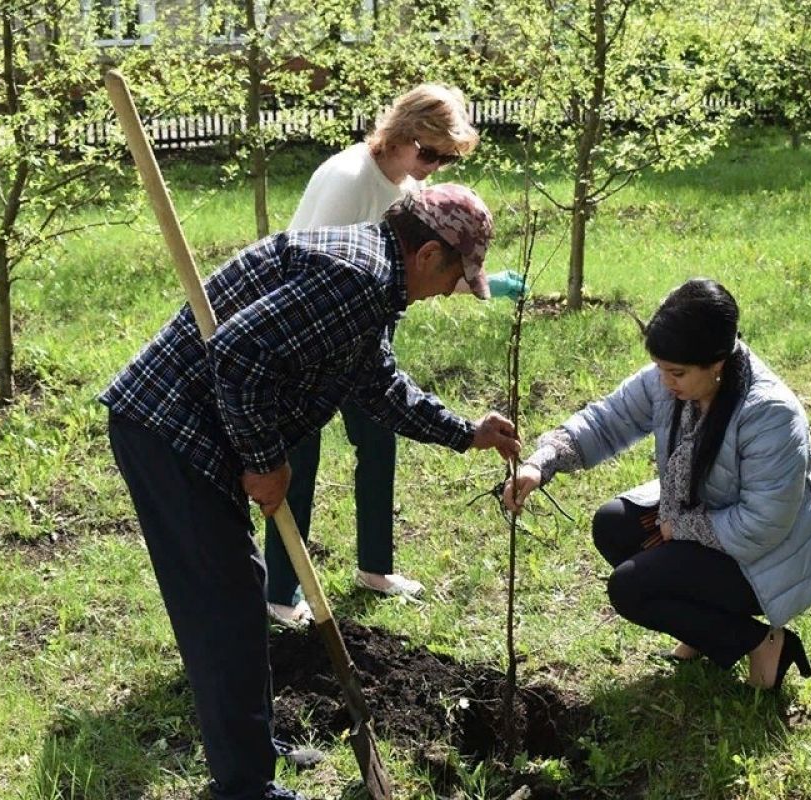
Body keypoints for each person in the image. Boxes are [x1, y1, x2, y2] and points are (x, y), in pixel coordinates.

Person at [102, 184, 520, 800]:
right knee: (222, 609)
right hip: (168, 428)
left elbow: (377, 387)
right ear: (428, 254)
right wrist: (268, 462)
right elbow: (237, 354)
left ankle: (248, 747)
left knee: (239, 601)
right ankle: (244, 787)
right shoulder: (355, 278)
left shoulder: (372, 283)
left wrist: (466, 433)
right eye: (458, 274)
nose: (452, 290)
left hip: (193, 428)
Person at [503, 279, 811, 690]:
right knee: (612, 525)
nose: (665, 382)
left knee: (632, 588)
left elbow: (764, 523)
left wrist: (680, 527)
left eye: (677, 373)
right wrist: (538, 465)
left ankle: (762, 642)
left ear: (718, 361)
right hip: (711, 519)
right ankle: (702, 630)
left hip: (771, 555)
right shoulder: (672, 378)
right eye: (660, 369)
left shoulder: (771, 414)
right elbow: (606, 421)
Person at [267, 83, 524, 627]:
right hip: (305, 340)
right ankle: (280, 594)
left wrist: (478, 284)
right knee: (299, 463)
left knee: (379, 441)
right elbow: (316, 278)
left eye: (445, 157)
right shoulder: (348, 181)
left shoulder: (401, 184)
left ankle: (375, 569)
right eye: (429, 152)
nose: (433, 166)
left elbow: (417, 266)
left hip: (361, 333)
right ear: (400, 134)